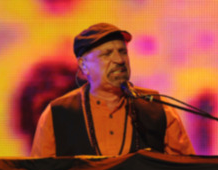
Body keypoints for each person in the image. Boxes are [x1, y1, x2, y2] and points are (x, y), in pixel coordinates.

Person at [31, 23, 195, 157]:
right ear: (83, 65)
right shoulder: (57, 114)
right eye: (107, 54)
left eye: (123, 52)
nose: (119, 60)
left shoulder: (158, 108)